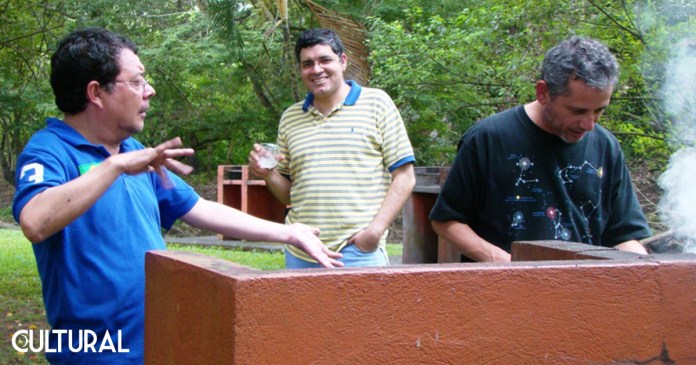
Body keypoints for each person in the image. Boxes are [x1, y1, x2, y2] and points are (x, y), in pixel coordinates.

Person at [12, 27, 342, 364]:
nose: (149, 91)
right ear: (96, 92)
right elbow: (35, 221)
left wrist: (288, 231)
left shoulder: (133, 150)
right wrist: (115, 167)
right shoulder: (51, 150)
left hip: (156, 341)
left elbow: (199, 208)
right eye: (137, 81)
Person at [429, 36, 652, 262]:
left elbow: (625, 235)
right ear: (543, 92)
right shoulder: (487, 138)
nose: (589, 124)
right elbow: (446, 221)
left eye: (599, 111)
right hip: (501, 290)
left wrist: (645, 271)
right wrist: (507, 265)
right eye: (577, 111)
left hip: (585, 291)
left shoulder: (607, 146)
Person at [248, 28, 416, 268]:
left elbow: (405, 177)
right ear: (300, 70)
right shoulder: (291, 117)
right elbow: (288, 194)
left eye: (325, 60)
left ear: (343, 61)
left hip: (359, 252)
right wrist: (269, 174)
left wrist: (374, 233)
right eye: (307, 64)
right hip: (302, 251)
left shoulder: (377, 103)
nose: (316, 69)